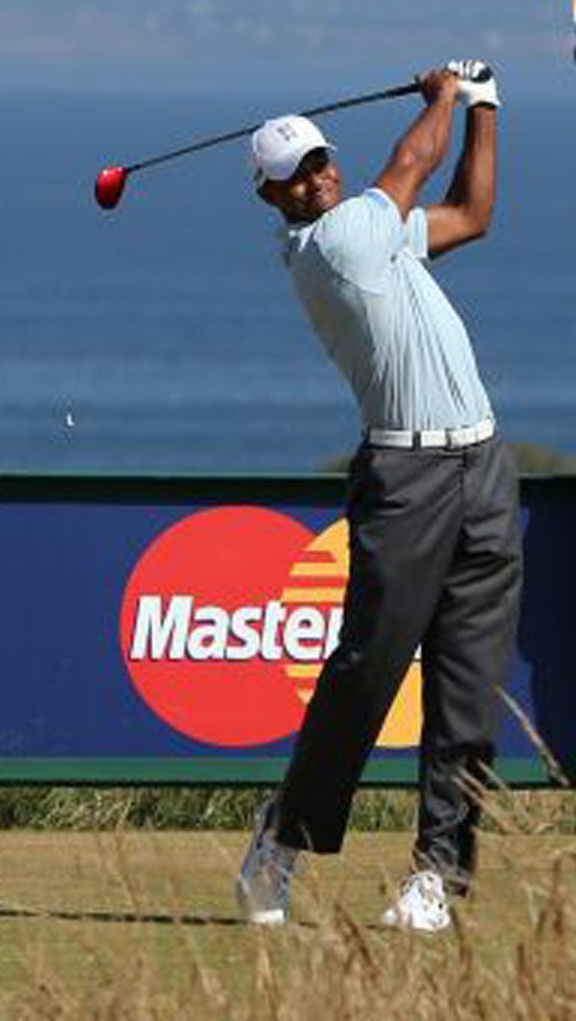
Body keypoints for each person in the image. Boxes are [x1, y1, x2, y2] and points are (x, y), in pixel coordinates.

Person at [234, 63, 521, 935]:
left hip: (482, 464)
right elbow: (409, 165)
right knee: (367, 674)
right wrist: (444, 94)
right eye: (298, 174)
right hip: (407, 481)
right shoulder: (335, 246)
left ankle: (439, 875)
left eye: (321, 160)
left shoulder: (378, 231)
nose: (319, 175)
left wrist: (485, 110)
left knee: (469, 691)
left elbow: (471, 214)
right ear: (273, 198)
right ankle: (280, 841)